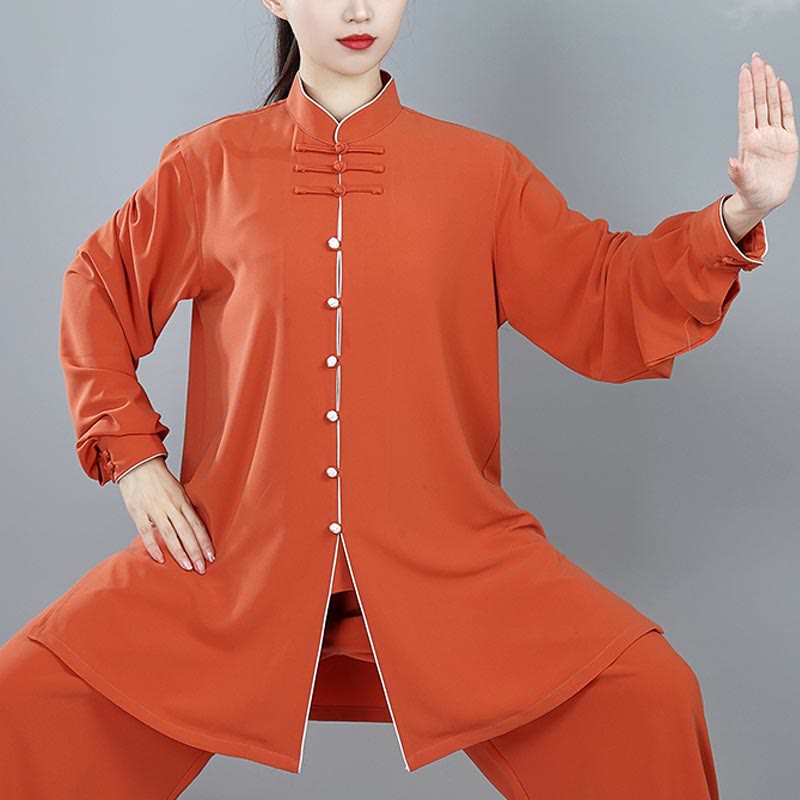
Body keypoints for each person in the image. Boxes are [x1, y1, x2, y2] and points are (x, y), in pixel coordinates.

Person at [1, 0, 796, 797]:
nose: (359, 10)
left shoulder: (481, 174)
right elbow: (99, 286)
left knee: (649, 695)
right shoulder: (210, 167)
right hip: (231, 559)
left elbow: (605, 293)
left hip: (452, 565)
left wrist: (739, 215)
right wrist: (133, 459)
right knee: (27, 696)